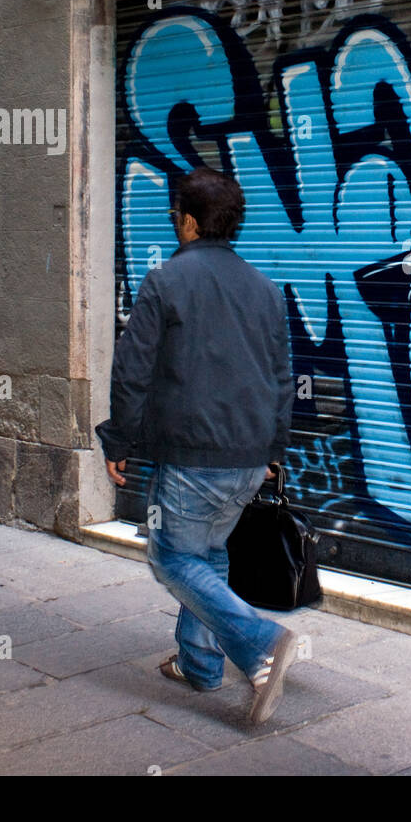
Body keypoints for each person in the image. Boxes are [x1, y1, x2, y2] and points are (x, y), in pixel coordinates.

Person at [95, 165, 298, 725]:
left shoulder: (165, 282)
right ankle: (200, 665)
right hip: (249, 460)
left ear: (187, 221)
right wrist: (274, 450)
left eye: (172, 214)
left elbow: (131, 371)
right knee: (209, 555)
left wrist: (119, 439)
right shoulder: (264, 289)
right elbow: (282, 378)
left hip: (193, 458)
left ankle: (260, 643)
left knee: (172, 557)